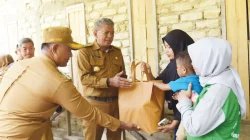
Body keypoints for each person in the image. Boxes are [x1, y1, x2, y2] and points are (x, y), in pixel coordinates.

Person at [0, 26, 140, 140]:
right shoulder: (57, 80)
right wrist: (123, 124)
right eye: (69, 50)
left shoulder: (20, 65)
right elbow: (89, 112)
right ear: (54, 49)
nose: (71, 55)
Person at [176, 37, 246, 139]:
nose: (192, 64)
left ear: (209, 60)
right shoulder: (222, 80)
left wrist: (184, 101)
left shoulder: (218, 91)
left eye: (196, 60)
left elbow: (194, 127)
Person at [77, 18, 131, 140]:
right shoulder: (85, 52)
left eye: (112, 33)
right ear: (95, 33)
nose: (110, 36)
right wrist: (109, 81)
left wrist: (125, 81)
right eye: (106, 32)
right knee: (93, 137)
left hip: (115, 104)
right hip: (95, 105)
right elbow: (84, 78)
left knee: (115, 137)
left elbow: (122, 75)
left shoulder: (117, 52)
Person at [141, 29, 194, 139]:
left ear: (178, 45)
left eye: (169, 47)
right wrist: (148, 73)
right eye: (165, 47)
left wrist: (174, 123)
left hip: (188, 118)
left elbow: (186, 98)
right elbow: (159, 82)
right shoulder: (173, 66)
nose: (166, 51)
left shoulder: (188, 68)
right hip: (178, 116)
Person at [153, 51, 202, 140]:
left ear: (184, 70)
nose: (176, 70)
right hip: (200, 115)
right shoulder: (198, 78)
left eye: (177, 67)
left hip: (189, 115)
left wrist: (152, 82)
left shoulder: (184, 81)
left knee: (179, 136)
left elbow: (164, 87)